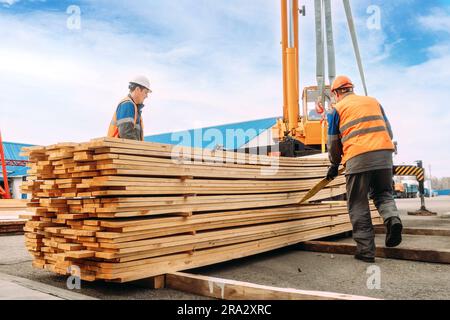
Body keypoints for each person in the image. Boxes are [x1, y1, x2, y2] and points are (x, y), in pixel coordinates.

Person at [326, 75, 403, 263]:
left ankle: (366, 251)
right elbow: (389, 131)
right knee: (383, 193)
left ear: (336, 93)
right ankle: (392, 219)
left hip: (358, 157)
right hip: (384, 154)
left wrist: (334, 164)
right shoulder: (373, 101)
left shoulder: (337, 109)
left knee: (358, 203)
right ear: (351, 88)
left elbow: (334, 142)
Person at [108, 76, 152, 141]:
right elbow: (126, 134)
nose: (146, 96)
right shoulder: (127, 104)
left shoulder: (134, 108)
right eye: (145, 92)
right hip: (119, 149)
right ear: (137, 89)